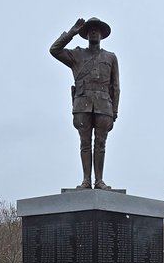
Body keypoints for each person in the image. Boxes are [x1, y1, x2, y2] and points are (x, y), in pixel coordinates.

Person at [50, 17, 120, 190]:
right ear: (86, 34)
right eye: (90, 29)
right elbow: (54, 49)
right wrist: (72, 32)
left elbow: (116, 86)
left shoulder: (110, 57)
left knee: (101, 144)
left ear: (102, 34)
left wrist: (115, 111)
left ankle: (99, 181)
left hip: (104, 105)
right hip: (82, 104)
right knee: (85, 142)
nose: (93, 32)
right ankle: (86, 180)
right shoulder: (77, 54)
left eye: (97, 29)